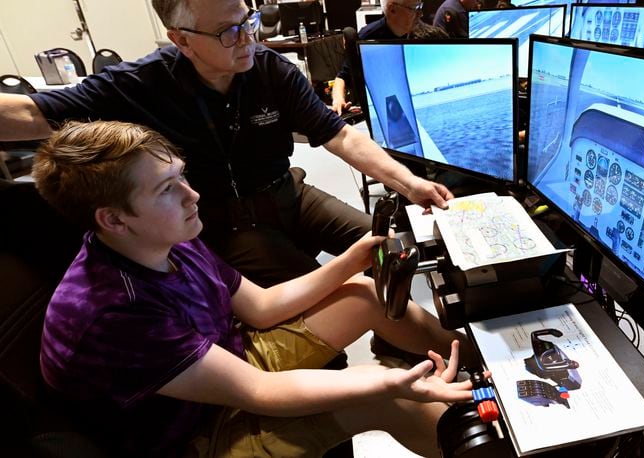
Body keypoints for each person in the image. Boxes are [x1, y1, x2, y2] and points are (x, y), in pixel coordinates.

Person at [32, 120, 480, 458]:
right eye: (168, 189)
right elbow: (257, 393)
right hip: (196, 434)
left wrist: (350, 261)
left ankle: (487, 366)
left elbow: (262, 307)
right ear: (113, 218)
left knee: (363, 293)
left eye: (182, 177)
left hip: (223, 363)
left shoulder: (162, 239)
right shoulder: (111, 313)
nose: (193, 195)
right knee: (382, 398)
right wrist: (383, 383)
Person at [0, 0, 452, 291]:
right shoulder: (138, 84)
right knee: (325, 293)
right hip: (223, 223)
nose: (247, 39)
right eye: (227, 32)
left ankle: (391, 343)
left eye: (247, 22)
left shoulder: (271, 70)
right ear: (181, 40)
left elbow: (340, 135)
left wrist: (410, 184)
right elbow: (29, 114)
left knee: (391, 249)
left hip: (288, 193)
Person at [331, 0, 428, 115]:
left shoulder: (424, 34)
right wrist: (338, 100)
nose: (420, 14)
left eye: (420, 7)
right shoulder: (367, 38)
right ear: (392, 9)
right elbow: (342, 77)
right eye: (414, 8)